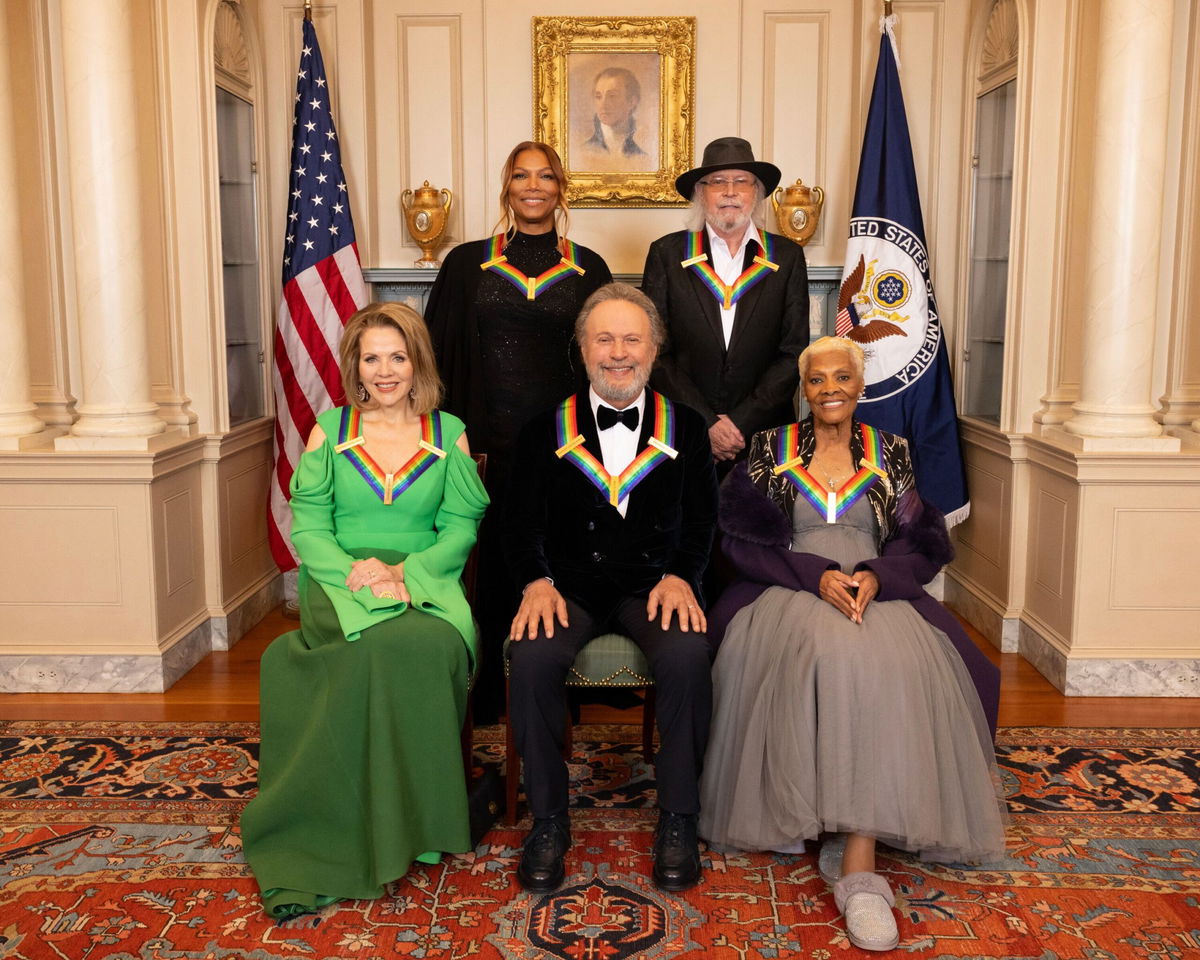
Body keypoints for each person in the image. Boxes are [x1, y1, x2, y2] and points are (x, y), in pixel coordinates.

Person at [698, 337, 1007, 951]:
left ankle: (859, 865)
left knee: (888, 659)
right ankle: (816, 811)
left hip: (874, 588)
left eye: (843, 377)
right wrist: (813, 575)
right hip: (788, 586)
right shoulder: (767, 449)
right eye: (818, 380)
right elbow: (738, 544)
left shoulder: (891, 451)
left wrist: (874, 577)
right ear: (804, 389)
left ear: (860, 387)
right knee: (825, 653)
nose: (831, 388)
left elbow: (921, 544)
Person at [240, 303, 488, 918]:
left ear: (417, 362)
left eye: (397, 357)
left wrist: (408, 573)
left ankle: (413, 822)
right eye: (371, 358)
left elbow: (460, 526)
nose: (385, 371)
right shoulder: (331, 429)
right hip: (341, 582)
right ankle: (343, 820)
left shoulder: (448, 432)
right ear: (355, 365)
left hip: (425, 580)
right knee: (372, 648)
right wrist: (354, 573)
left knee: (427, 647)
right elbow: (311, 525)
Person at [504, 283, 717, 893]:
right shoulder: (542, 429)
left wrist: (683, 575)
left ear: (654, 349)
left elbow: (703, 520)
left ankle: (678, 815)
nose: (617, 352)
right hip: (566, 586)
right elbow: (518, 524)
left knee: (687, 654)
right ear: (582, 347)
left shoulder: (689, 428)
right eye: (604, 338)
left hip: (652, 585)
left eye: (631, 339)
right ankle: (549, 821)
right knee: (534, 655)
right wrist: (535, 581)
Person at [425, 142, 612, 722]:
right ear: (506, 186)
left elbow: (609, 364)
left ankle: (553, 690)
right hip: (480, 449)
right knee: (486, 568)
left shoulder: (590, 269)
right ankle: (481, 694)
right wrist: (446, 437)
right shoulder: (465, 263)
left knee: (556, 563)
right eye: (521, 176)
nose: (534, 186)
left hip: (565, 453)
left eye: (547, 176)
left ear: (562, 189)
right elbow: (435, 360)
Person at [642, 136, 809, 466]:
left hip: (764, 435)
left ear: (756, 192)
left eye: (741, 182)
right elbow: (655, 351)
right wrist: (707, 423)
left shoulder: (787, 257)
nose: (730, 191)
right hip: (685, 431)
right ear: (700, 192)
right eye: (717, 182)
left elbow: (793, 353)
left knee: (760, 519)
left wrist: (739, 422)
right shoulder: (666, 254)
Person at [579, 66, 648, 169]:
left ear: (632, 102)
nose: (603, 105)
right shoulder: (582, 152)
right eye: (598, 97)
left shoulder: (642, 157)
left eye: (612, 96)